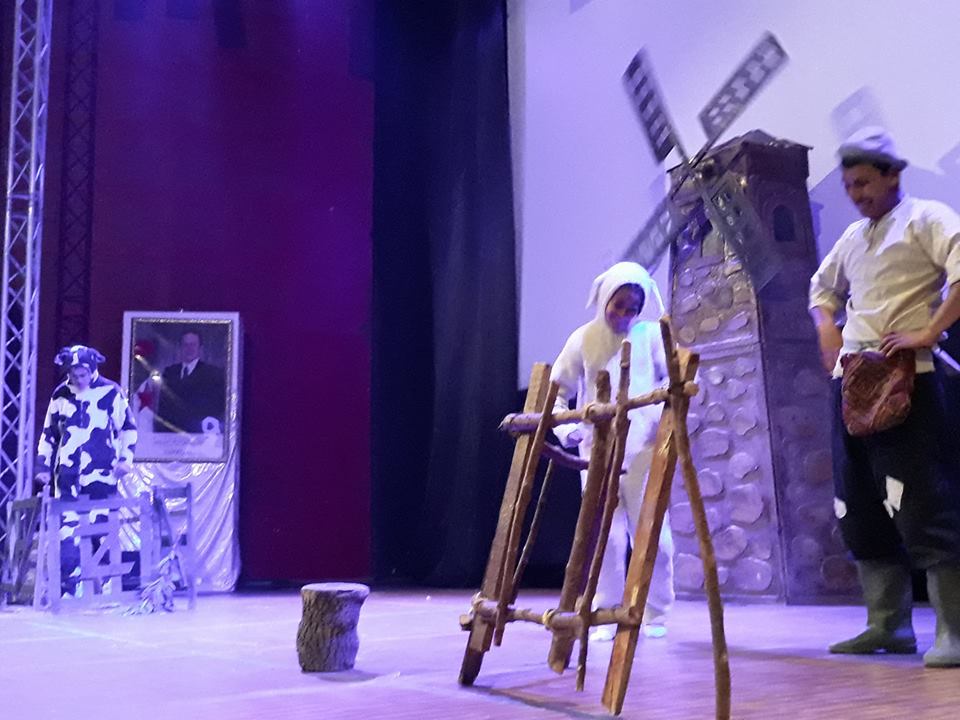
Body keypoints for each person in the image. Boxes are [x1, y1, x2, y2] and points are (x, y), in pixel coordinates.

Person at [809, 127, 960, 667]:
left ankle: (953, 630)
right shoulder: (853, 237)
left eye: (865, 183)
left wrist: (931, 330)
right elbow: (822, 288)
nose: (856, 194)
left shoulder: (927, 218)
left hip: (908, 378)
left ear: (893, 175)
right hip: (853, 381)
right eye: (849, 186)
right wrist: (827, 329)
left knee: (922, 500)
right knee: (859, 501)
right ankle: (887, 625)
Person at [550, 261, 674, 641]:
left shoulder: (650, 336)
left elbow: (674, 377)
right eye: (618, 305)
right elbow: (557, 393)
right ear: (604, 299)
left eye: (632, 309)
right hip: (597, 451)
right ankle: (605, 609)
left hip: (642, 450)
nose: (623, 315)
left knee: (653, 534)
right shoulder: (583, 339)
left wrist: (659, 413)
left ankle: (654, 611)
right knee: (606, 537)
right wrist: (568, 429)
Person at [36, 345, 138, 595]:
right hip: (67, 477)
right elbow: (49, 433)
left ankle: (106, 587)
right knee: (67, 531)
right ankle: (71, 588)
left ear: (92, 370)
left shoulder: (111, 392)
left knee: (102, 530)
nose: (78, 380)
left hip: (102, 475)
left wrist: (125, 459)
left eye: (83, 375)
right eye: (74, 375)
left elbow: (128, 428)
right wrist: (42, 465)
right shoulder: (61, 394)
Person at [154, 329, 226, 434]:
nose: (189, 349)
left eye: (193, 345)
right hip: (171, 434)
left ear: (200, 348)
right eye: (185, 345)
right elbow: (163, 407)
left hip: (200, 434)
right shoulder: (169, 372)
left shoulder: (213, 373)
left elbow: (218, 407)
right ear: (180, 347)